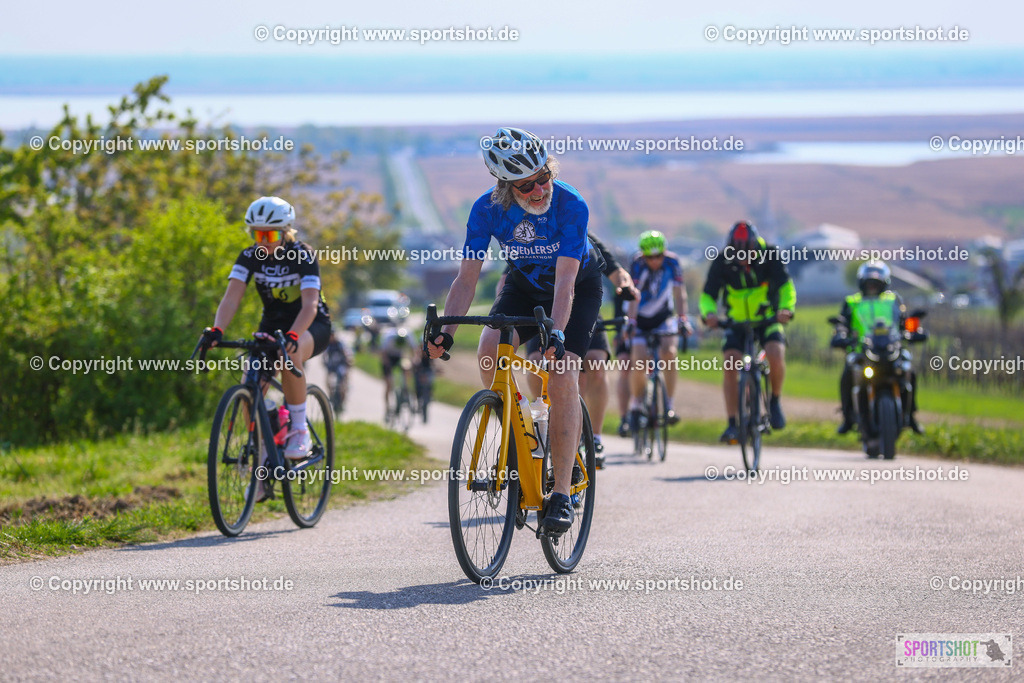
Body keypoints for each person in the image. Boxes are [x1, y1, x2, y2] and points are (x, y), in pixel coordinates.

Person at [426, 127, 603, 534]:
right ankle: (521, 425)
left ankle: (560, 493)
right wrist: (446, 331)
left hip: (575, 288)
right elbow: (466, 280)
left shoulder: (571, 203)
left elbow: (565, 283)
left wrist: (555, 335)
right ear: (505, 186)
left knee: (560, 372)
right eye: (527, 186)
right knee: (489, 348)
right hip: (523, 286)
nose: (540, 190)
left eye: (544, 177)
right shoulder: (485, 210)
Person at [200, 196, 332, 497]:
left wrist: (294, 336)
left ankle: (299, 430)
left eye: (269, 235)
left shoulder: (303, 255)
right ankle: (261, 462)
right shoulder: (249, 256)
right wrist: (217, 329)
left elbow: (311, 303)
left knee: (290, 356)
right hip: (271, 326)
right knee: (249, 383)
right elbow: (232, 297)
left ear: (286, 232)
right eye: (256, 234)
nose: (263, 242)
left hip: (311, 326)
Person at [500, 234, 637, 468]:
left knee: (595, 363)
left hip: (583, 308)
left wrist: (625, 286)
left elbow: (617, 272)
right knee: (534, 361)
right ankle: (542, 413)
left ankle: (595, 436)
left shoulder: (585, 236)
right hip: (544, 312)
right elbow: (505, 280)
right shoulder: (533, 238)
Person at [699, 221, 795, 444]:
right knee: (730, 362)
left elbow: (785, 287)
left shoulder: (771, 255)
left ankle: (774, 401)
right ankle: (733, 423)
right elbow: (707, 296)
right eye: (737, 254)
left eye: (747, 253)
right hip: (736, 323)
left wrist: (786, 309)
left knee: (775, 352)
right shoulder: (722, 260)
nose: (742, 258)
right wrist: (709, 314)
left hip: (767, 319)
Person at [832, 260, 923, 435]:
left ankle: (910, 416)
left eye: (876, 283)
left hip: (890, 348)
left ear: (884, 284)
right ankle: (847, 418)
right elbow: (843, 323)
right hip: (861, 350)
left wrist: (913, 332)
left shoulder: (893, 300)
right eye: (869, 283)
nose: (872, 287)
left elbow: (903, 322)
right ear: (862, 283)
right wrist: (841, 335)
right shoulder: (852, 301)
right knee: (847, 375)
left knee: (910, 373)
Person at [626, 230, 690, 433]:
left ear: (665, 252)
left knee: (669, 353)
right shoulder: (637, 264)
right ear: (643, 255)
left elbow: (680, 294)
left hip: (663, 317)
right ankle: (636, 404)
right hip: (641, 318)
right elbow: (633, 296)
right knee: (638, 361)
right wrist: (632, 322)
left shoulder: (673, 262)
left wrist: (682, 319)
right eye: (650, 257)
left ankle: (669, 405)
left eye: (659, 256)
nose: (655, 261)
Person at [379, 327, 416, 418]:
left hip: (400, 356)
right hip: (389, 357)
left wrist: (413, 361)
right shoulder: (388, 338)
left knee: (407, 368)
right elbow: (383, 354)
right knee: (388, 384)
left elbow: (414, 351)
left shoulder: (409, 336)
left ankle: (406, 388)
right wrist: (388, 367)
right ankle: (387, 408)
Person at [323, 330, 352, 414]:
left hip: (340, 365)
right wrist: (325, 363)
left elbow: (347, 354)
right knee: (328, 381)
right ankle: (331, 395)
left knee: (343, 384)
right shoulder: (328, 345)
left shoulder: (340, 344)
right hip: (331, 366)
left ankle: (342, 401)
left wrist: (348, 362)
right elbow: (324, 356)